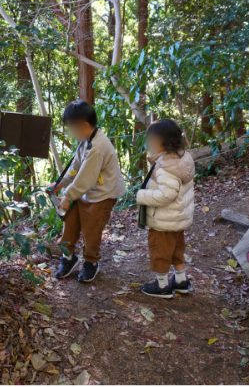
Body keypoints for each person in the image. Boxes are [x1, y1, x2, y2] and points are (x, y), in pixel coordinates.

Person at [51, 100, 126, 283]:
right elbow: (76, 168)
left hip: (103, 194)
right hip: (84, 191)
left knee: (91, 230)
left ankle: (91, 262)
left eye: (71, 128)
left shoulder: (98, 147)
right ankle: (68, 257)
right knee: (70, 222)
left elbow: (86, 177)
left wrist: (68, 196)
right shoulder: (86, 141)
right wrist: (60, 183)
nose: (70, 133)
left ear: (84, 125)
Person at [136, 119, 195, 298]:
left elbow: (165, 195)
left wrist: (141, 196)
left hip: (163, 221)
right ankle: (180, 280)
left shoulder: (165, 168)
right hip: (177, 219)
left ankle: (162, 285)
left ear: (164, 143)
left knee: (159, 252)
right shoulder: (182, 158)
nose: (149, 144)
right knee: (177, 250)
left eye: (152, 140)